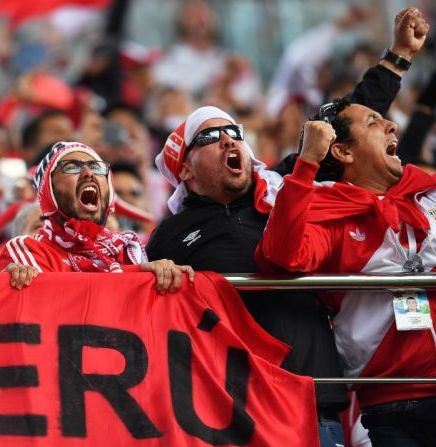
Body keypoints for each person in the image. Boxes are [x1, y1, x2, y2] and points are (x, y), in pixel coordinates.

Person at [146, 8, 428, 446]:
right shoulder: (170, 235)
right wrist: (153, 272)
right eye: (209, 137)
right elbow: (142, 304)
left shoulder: (287, 188)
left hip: (315, 398)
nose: (228, 140)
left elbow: (345, 128)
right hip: (231, 405)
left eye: (234, 131)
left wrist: (397, 58)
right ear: (182, 170)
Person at [255, 98, 436, 446]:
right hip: (392, 403)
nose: (391, 126)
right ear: (342, 152)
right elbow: (282, 254)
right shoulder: (333, 214)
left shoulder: (425, 196)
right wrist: (306, 164)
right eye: (373, 123)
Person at [0, 141, 194, 293]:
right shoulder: (27, 248)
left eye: (97, 167)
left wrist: (165, 275)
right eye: (72, 166)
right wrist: (142, 274)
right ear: (49, 193)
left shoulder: (128, 249)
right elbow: (57, 299)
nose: (88, 173)